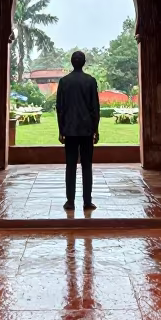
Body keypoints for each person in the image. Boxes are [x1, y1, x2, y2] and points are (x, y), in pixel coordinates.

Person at [55, 50, 100, 212]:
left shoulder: (64, 82)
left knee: (70, 166)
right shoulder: (90, 81)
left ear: (72, 62)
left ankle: (70, 201)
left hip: (70, 130)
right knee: (87, 166)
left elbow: (60, 108)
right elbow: (95, 108)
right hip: (87, 130)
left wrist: (61, 130)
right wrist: (96, 129)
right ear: (84, 62)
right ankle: (87, 201)